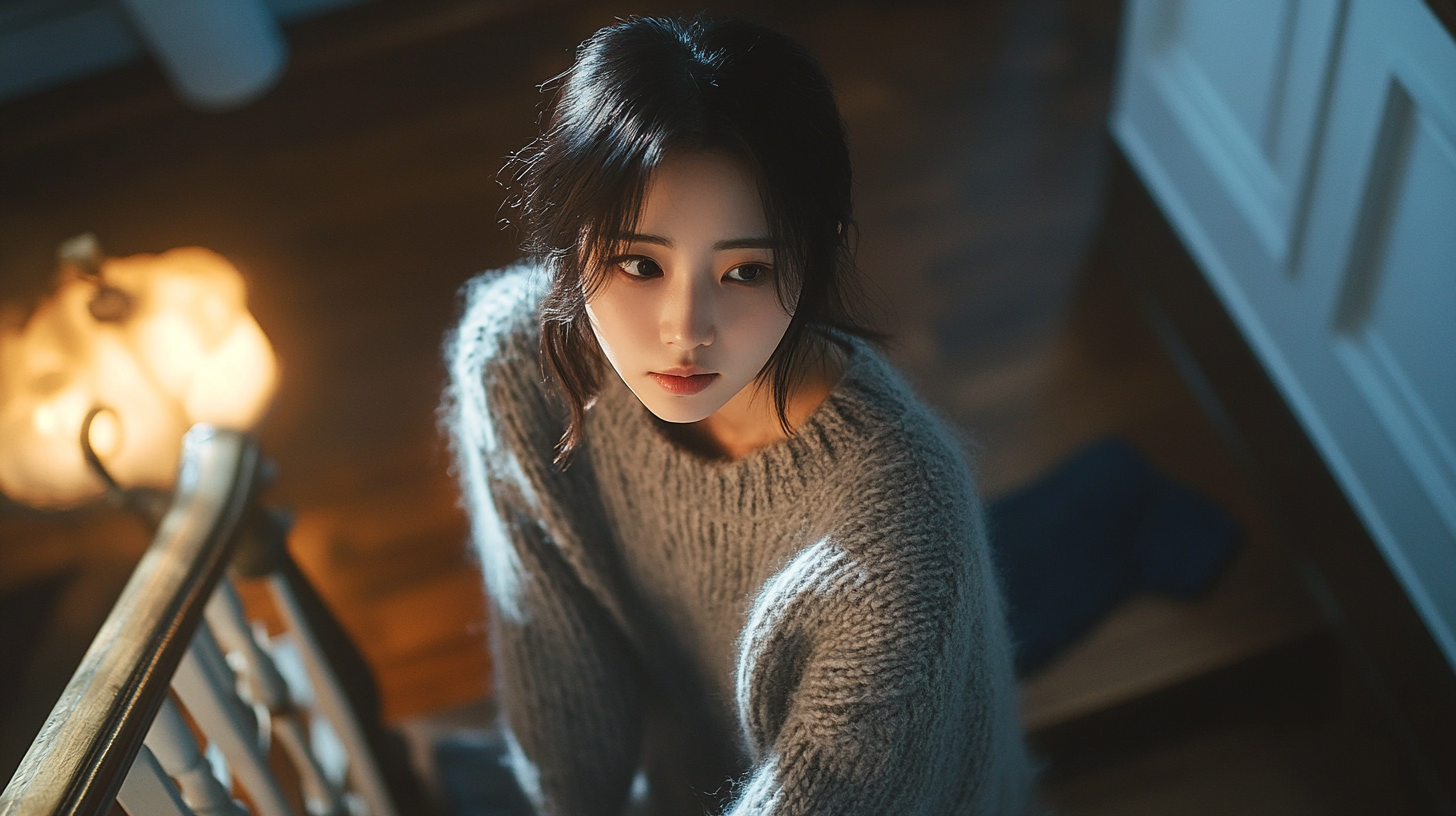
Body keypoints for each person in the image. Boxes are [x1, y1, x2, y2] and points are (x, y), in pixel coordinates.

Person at [444, 15, 1038, 815]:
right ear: (569, 239)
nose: (686, 330)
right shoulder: (518, 363)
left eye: (747, 269)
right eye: (638, 263)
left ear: (812, 258)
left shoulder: (900, 542)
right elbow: (556, 669)